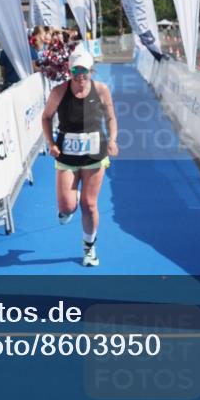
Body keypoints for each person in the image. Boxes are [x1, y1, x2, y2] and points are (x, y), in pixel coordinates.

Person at [40, 47, 118, 267]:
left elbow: (111, 118)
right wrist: (51, 143)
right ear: (69, 70)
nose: (80, 74)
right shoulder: (59, 92)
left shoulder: (101, 90)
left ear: (91, 70)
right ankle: (66, 211)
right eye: (76, 70)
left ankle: (89, 249)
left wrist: (112, 140)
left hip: (95, 154)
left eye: (84, 70)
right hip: (67, 155)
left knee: (89, 204)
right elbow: (46, 118)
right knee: (67, 206)